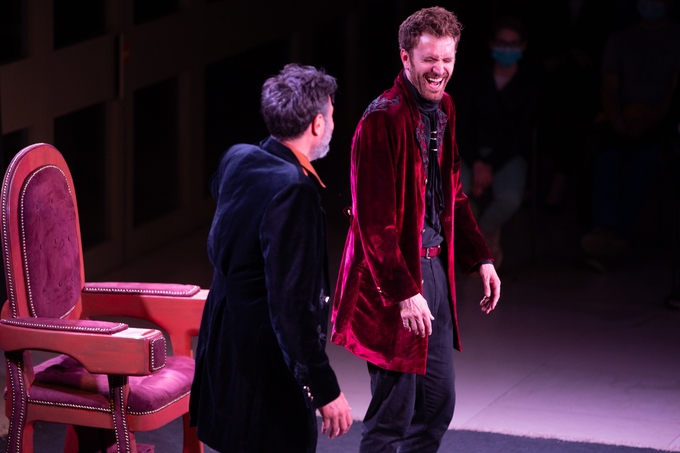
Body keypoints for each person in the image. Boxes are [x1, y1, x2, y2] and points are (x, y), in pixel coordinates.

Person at [331, 7, 501, 453]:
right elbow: (373, 223)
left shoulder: (445, 108)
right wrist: (405, 292)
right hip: (395, 281)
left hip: (436, 272)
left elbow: (453, 194)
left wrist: (481, 257)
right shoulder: (381, 119)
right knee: (393, 416)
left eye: (447, 59)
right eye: (429, 59)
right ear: (406, 58)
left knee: (435, 409)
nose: (439, 69)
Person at [189, 63, 352, 453]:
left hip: (224, 356)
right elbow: (291, 307)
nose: (333, 124)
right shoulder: (295, 191)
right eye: (331, 116)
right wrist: (325, 389)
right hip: (264, 374)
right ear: (317, 124)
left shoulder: (238, 158)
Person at [580, 0, 680, 269]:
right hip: (620, 121)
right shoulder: (620, 40)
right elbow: (610, 85)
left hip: (661, 124)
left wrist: (648, 121)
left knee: (644, 164)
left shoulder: (675, 38)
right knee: (606, 161)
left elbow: (675, 94)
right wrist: (618, 120)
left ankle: (617, 237)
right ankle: (603, 232)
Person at [456, 16, 538, 267]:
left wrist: (490, 165)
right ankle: (477, 242)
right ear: (492, 44)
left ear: (523, 46)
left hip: (508, 156)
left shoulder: (530, 83)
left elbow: (522, 134)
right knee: (458, 194)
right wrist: (477, 163)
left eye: (513, 44)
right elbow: (462, 125)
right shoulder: (474, 79)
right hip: (470, 153)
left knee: (509, 198)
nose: (507, 49)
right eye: (502, 43)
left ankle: (482, 236)